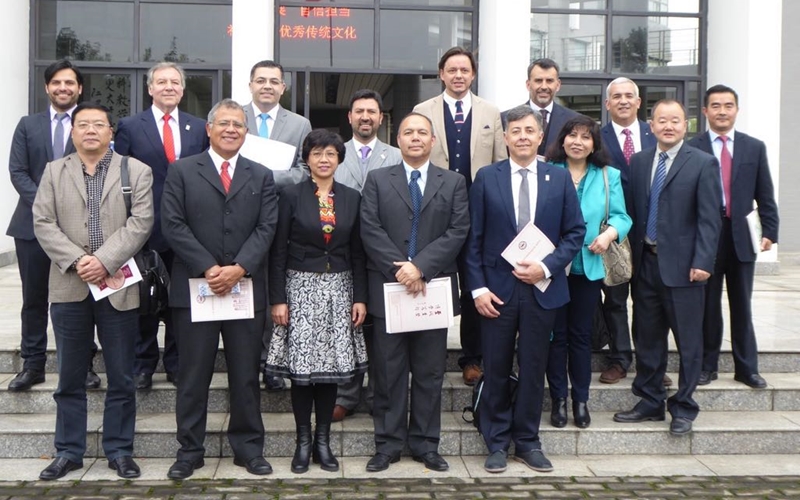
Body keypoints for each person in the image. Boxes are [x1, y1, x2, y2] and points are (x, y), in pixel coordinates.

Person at [32, 102, 154, 480]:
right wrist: (77, 260)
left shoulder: (136, 170)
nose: (90, 130)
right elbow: (42, 221)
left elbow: (142, 221)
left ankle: (119, 450)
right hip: (69, 285)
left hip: (117, 286)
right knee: (69, 376)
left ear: (110, 132)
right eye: (82, 124)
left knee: (121, 376)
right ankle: (68, 451)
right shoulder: (54, 171)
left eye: (98, 124)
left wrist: (104, 260)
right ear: (72, 132)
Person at [161, 99, 278, 479]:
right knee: (193, 376)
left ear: (247, 133)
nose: (231, 130)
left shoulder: (260, 175)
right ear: (208, 129)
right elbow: (173, 225)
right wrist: (211, 268)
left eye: (239, 125)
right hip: (197, 287)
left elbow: (267, 228)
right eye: (224, 123)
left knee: (245, 374)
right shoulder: (181, 171)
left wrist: (240, 267)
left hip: (245, 289)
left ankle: (248, 449)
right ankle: (190, 451)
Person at [465, 105, 585, 474]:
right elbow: (473, 239)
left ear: (540, 137)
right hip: (497, 292)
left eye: (529, 130)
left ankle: (528, 442)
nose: (521, 136)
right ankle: (497, 442)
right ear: (505, 138)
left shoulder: (558, 179)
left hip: (542, 288)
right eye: (514, 130)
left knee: (534, 367)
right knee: (496, 367)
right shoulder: (487, 177)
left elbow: (575, 232)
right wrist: (478, 289)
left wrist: (546, 266)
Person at [360, 112, 469, 473]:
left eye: (422, 132)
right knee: (388, 373)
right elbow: (370, 228)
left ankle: (425, 444)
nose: (415, 138)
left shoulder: (453, 182)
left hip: (431, 290)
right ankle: (388, 445)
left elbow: (457, 231)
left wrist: (420, 266)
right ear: (398, 139)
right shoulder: (377, 180)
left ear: (433, 140)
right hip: (389, 289)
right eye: (408, 132)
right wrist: (402, 269)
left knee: (429, 372)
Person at [613, 99, 722, 436]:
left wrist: (703, 262)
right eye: (662, 120)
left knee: (688, 342)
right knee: (647, 339)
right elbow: (634, 210)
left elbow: (710, 218)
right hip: (647, 265)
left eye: (676, 120)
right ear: (651, 125)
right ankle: (649, 400)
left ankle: (684, 407)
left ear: (685, 124)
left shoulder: (702, 163)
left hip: (686, 270)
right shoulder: (641, 160)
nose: (669, 126)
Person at [266, 129, 368, 474]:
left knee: (329, 375)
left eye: (331, 154)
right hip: (299, 290)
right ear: (306, 159)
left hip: (340, 291)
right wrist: (278, 299)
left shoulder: (352, 197)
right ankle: (303, 443)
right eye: (317, 153)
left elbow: (358, 253)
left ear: (340, 159)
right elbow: (277, 251)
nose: (324, 160)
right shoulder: (290, 196)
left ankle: (323, 442)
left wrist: (361, 298)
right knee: (302, 374)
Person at [413, 46, 506, 386]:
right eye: (451, 70)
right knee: (432, 278)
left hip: (478, 209)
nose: (458, 75)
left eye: (464, 70)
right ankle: (427, 356)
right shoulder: (422, 111)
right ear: (441, 74)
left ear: (473, 74)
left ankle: (472, 357)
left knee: (473, 284)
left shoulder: (490, 112)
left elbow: (499, 163)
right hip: (433, 210)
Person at [115, 61, 210, 390]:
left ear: (182, 90)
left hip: (188, 229)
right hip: (144, 227)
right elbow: (119, 173)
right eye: (162, 82)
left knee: (178, 300)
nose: (169, 87)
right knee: (144, 298)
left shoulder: (198, 128)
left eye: (175, 82)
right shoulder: (129, 126)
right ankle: (143, 363)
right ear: (150, 88)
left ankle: (175, 361)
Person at [6, 59, 100, 392]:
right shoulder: (27, 125)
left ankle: (83, 365)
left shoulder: (91, 125)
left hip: (80, 231)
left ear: (79, 88)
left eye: (69, 83)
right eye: (57, 83)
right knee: (34, 299)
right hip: (32, 228)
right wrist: (50, 206)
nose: (63, 88)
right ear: (47, 88)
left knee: (80, 298)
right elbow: (18, 172)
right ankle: (32, 365)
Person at [688, 85, 779, 389]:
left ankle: (747, 368)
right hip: (706, 237)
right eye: (715, 106)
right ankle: (707, 365)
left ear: (737, 110)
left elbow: (765, 192)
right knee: (707, 305)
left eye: (728, 105)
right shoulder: (693, 147)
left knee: (742, 304)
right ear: (705, 111)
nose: (722, 111)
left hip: (742, 235)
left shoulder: (754, 147)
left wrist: (770, 230)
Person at [544, 116, 632, 429]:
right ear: (562, 139)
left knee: (581, 337)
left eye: (585, 137)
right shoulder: (547, 172)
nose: (578, 142)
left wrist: (609, 235)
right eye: (572, 135)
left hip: (589, 267)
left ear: (594, 143)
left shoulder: (609, 175)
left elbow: (622, 217)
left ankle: (581, 400)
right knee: (556, 337)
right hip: (552, 269)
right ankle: (559, 401)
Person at [331, 89, 402, 422]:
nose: (365, 117)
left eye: (371, 112)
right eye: (359, 111)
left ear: (380, 118)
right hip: (341, 254)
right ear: (349, 116)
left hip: (384, 255)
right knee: (348, 325)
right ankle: (346, 392)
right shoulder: (333, 154)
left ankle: (377, 394)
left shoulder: (397, 155)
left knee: (379, 330)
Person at [242, 59, 312, 391]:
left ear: (283, 87)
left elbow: (305, 170)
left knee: (275, 289)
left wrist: (267, 176)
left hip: (282, 216)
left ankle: (272, 362)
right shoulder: (233, 116)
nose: (267, 86)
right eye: (261, 80)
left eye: (274, 81)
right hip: (239, 217)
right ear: (251, 84)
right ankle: (245, 360)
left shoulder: (300, 124)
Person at [598, 77, 660, 385]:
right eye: (616, 97)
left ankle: (650, 364)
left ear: (638, 102)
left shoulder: (656, 134)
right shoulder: (597, 137)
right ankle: (620, 357)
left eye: (629, 96)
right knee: (615, 299)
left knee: (649, 302)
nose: (623, 101)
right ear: (607, 105)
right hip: (614, 234)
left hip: (651, 234)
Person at [502, 58, 580, 156]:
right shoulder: (504, 119)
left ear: (558, 85)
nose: (544, 86)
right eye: (538, 81)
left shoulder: (574, 120)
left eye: (549, 81)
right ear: (528, 84)